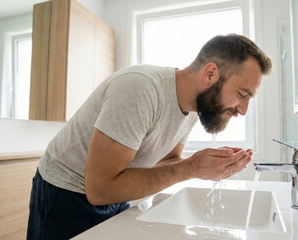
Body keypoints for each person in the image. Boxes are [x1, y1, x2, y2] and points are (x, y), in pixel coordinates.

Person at [27, 33, 272, 239]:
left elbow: (169, 162)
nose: (243, 110)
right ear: (210, 74)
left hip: (114, 192)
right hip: (64, 194)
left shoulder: (193, 108)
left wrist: (205, 165)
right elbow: (100, 189)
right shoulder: (140, 90)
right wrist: (189, 168)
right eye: (242, 94)